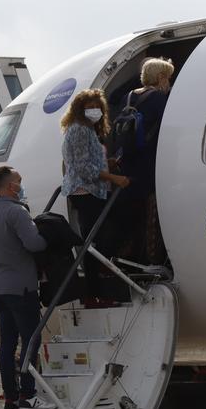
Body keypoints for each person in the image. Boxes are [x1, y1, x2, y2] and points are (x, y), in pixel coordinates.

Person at [0, 165, 51, 409]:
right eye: (19, 181)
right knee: (31, 339)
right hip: (20, 285)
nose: (22, 185)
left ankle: (10, 397)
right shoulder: (17, 212)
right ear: (11, 186)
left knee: (7, 343)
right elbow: (34, 244)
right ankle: (28, 394)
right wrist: (49, 236)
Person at [60, 89, 130, 305]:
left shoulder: (89, 130)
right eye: (89, 107)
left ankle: (99, 279)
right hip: (85, 191)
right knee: (94, 242)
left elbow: (89, 161)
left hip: (95, 190)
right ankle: (93, 293)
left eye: (97, 107)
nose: (94, 111)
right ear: (80, 110)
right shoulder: (80, 130)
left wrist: (107, 164)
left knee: (101, 236)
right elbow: (83, 168)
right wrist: (114, 178)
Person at [120, 57, 175, 267]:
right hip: (150, 164)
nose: (169, 82)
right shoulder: (159, 99)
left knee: (134, 218)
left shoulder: (128, 97)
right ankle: (152, 260)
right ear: (161, 78)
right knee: (151, 217)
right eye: (168, 78)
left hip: (128, 164)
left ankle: (126, 260)